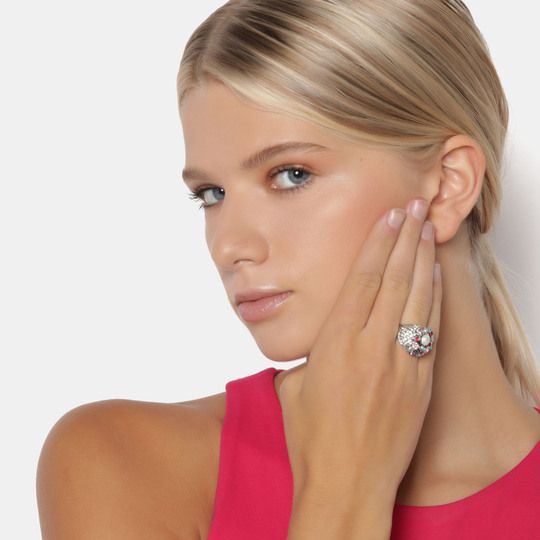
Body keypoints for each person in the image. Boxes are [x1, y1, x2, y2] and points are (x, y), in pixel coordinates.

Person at [37, 1, 540, 538]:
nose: (228, 246)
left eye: (291, 174)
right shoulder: (124, 463)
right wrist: (346, 488)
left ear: (447, 185)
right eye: (212, 194)